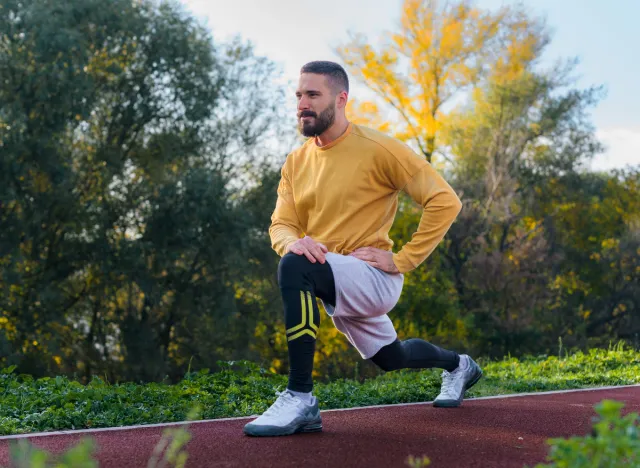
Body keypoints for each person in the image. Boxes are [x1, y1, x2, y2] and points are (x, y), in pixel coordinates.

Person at [243, 61, 482, 437]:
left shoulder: (378, 148)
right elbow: (281, 224)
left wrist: (402, 259)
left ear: (341, 99)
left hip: (372, 276)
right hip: (335, 276)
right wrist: (294, 241)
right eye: (299, 95)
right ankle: (458, 365)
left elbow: (444, 200)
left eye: (313, 95)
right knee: (392, 357)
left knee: (295, 267)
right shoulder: (296, 161)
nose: (302, 104)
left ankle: (300, 396)